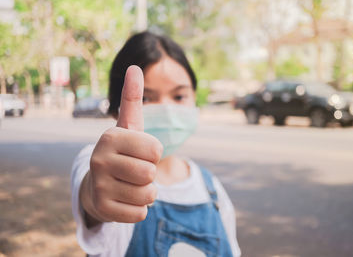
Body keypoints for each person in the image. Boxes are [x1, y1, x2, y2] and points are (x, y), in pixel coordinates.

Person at [71, 31, 241, 257]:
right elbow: (94, 193)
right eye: (146, 98)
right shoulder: (99, 163)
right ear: (115, 108)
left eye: (179, 97)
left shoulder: (212, 189)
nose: (167, 110)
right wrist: (94, 195)